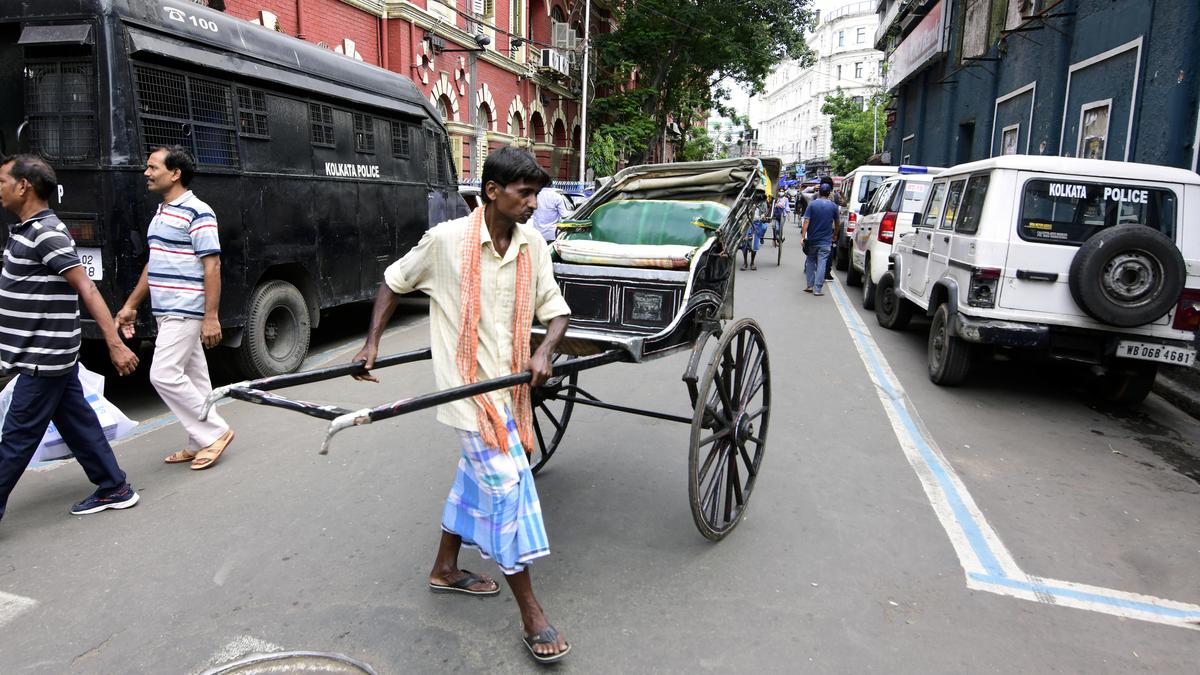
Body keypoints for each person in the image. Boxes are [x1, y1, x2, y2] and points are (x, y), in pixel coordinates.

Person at [351, 147, 572, 664]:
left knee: (476, 481)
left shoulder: (533, 245)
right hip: (469, 396)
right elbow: (392, 281)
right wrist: (371, 344)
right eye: (525, 193)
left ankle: (444, 568)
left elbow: (556, 311)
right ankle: (532, 613)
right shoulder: (446, 242)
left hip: (511, 394)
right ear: (492, 192)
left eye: (537, 194)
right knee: (508, 491)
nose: (534, 204)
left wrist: (544, 348)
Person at [0, 155, 141, 523]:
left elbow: (87, 289)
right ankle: (114, 486)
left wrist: (114, 343)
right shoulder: (27, 230)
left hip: (44, 357)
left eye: (2, 181)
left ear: (23, 186)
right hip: (50, 355)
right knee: (78, 423)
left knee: (15, 439)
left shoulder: (46, 232)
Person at [116, 146, 234, 470]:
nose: (146, 173)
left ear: (175, 173)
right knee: (196, 380)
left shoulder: (199, 211)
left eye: (153, 167)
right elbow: (154, 263)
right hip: (166, 308)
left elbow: (212, 266)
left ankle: (215, 433)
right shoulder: (162, 212)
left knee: (163, 374)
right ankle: (199, 441)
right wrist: (130, 306)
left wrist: (211, 317)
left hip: (186, 307)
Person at [801, 182, 841, 296]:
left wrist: (803, 237)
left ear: (819, 192)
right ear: (829, 193)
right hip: (825, 241)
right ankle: (818, 289)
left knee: (810, 261)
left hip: (812, 239)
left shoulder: (812, 205)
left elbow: (806, 221)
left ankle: (809, 286)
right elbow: (837, 223)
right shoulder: (833, 206)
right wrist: (835, 235)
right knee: (822, 263)